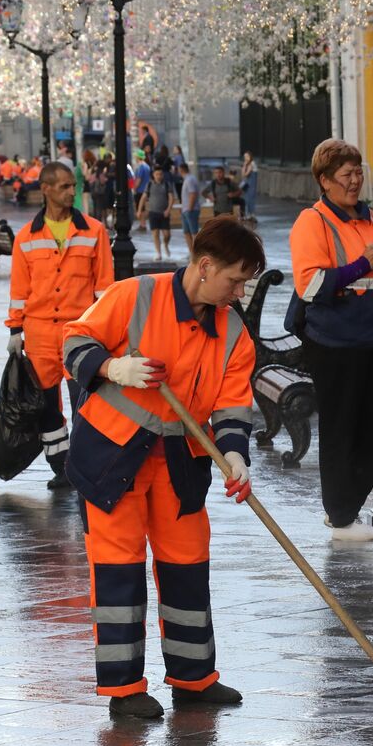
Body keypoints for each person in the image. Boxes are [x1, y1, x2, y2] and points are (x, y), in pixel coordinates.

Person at [62, 216, 262, 719]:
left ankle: (194, 679)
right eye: (235, 280)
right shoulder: (134, 296)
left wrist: (234, 454)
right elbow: (74, 343)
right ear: (205, 265)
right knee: (118, 570)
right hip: (112, 456)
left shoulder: (232, 331)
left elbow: (233, 404)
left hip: (181, 461)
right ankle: (124, 689)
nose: (239, 292)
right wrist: (112, 367)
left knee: (188, 566)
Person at [286, 139, 373, 542]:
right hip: (336, 343)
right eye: (347, 174)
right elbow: (310, 285)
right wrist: (361, 265)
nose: (355, 180)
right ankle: (341, 517)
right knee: (342, 429)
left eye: (358, 172)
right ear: (325, 180)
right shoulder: (313, 222)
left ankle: (346, 508)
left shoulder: (369, 218)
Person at [7, 162, 116, 490]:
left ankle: (85, 464)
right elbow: (19, 290)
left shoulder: (94, 231)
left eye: (73, 186)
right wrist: (15, 330)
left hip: (78, 333)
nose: (72, 192)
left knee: (84, 400)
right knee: (45, 406)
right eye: (65, 186)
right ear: (46, 189)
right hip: (39, 333)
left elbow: (105, 289)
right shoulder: (26, 237)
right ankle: (61, 466)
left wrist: (107, 331)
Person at [137, 165, 178, 261]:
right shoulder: (149, 184)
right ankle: (158, 253)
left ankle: (165, 244)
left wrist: (168, 209)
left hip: (164, 213)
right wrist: (139, 210)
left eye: (160, 174)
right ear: (153, 175)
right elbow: (143, 198)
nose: (159, 176)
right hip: (153, 212)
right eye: (157, 174)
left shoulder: (167, 184)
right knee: (155, 234)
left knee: (167, 234)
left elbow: (171, 198)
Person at [179, 162, 202, 257]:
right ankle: (191, 253)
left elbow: (193, 193)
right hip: (186, 209)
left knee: (194, 232)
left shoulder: (190, 179)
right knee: (186, 232)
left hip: (191, 210)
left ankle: (197, 253)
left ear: (181, 170)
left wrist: (190, 208)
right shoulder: (187, 179)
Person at [240, 151, 259, 221]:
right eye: (245, 157)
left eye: (247, 156)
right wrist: (244, 165)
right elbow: (243, 175)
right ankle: (248, 214)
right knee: (246, 198)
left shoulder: (252, 163)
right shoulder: (246, 164)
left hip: (251, 184)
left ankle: (251, 214)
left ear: (250, 157)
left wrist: (245, 166)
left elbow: (246, 174)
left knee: (251, 198)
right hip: (247, 184)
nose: (246, 158)